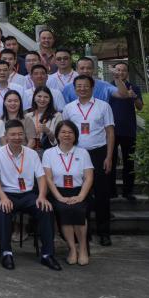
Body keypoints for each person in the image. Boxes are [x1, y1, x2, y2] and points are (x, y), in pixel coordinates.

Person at [0, 119, 61, 270]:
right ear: (6, 136)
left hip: (28, 195)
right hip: (7, 194)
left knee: (46, 209)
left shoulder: (32, 154)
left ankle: (47, 254)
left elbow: (41, 177)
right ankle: (6, 253)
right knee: (2, 209)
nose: (17, 137)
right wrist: (3, 198)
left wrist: (42, 196)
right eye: (13, 134)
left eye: (20, 134)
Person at [62, 74, 115, 246]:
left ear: (92, 87)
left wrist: (109, 156)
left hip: (98, 152)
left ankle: (104, 232)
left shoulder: (104, 106)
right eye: (79, 86)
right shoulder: (69, 108)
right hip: (77, 154)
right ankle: (83, 232)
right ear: (74, 88)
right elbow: (65, 132)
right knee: (80, 193)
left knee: (102, 194)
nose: (82, 89)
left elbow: (110, 133)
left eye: (85, 86)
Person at [42, 120, 94, 265]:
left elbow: (89, 177)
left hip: (79, 191)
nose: (67, 135)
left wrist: (81, 196)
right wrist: (59, 197)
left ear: (75, 135)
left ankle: (82, 248)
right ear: (57, 135)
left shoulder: (83, 153)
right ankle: (72, 249)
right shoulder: (49, 153)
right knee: (64, 209)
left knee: (78, 209)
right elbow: (48, 178)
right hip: (57, 192)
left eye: (70, 132)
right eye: (63, 132)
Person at [107, 62, 142, 201]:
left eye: (123, 70)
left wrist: (134, 96)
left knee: (129, 162)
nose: (120, 72)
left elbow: (140, 107)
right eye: (118, 70)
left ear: (127, 72)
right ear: (113, 72)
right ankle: (111, 191)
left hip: (128, 130)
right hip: (111, 131)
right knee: (111, 160)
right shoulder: (108, 87)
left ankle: (128, 191)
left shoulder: (134, 87)